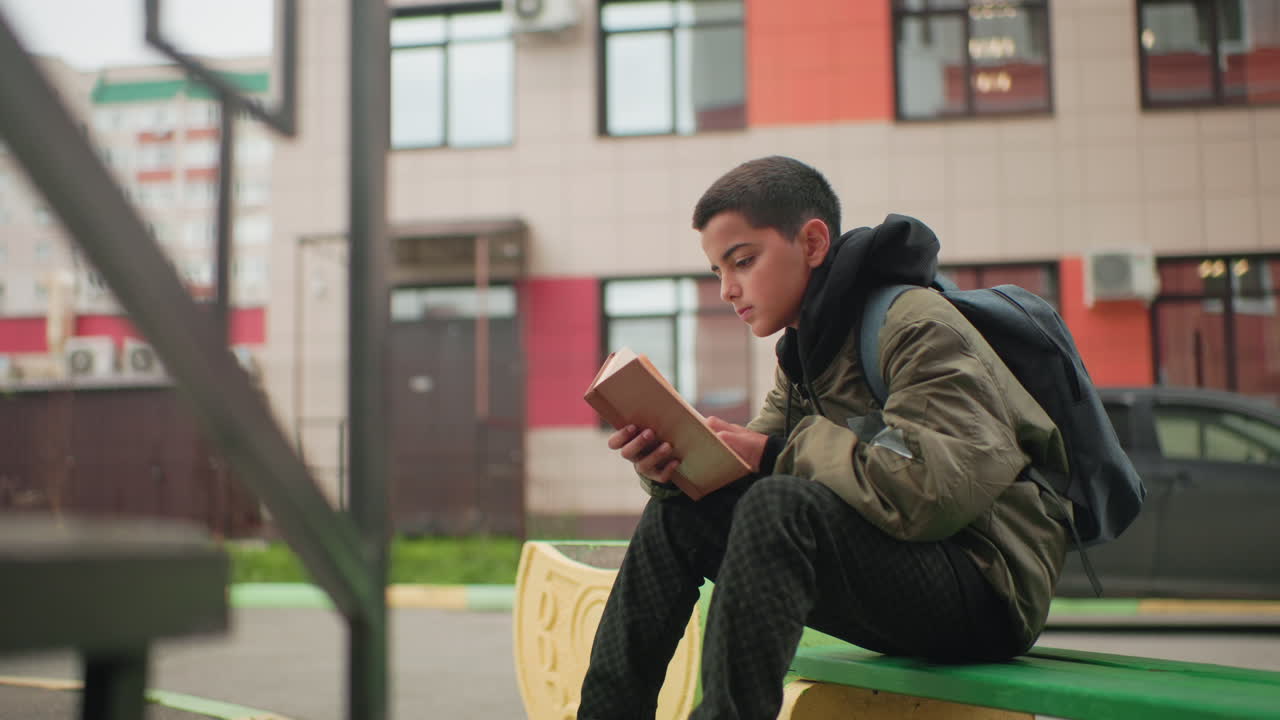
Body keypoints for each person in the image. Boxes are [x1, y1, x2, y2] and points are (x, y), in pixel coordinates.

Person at [577, 156, 1070, 720]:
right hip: (900, 574)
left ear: (812, 243)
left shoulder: (915, 326)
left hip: (985, 590)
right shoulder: (808, 354)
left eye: (743, 261)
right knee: (680, 513)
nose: (727, 289)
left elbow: (935, 488)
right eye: (717, 271)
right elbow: (742, 473)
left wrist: (772, 454)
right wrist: (671, 463)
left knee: (779, 502)